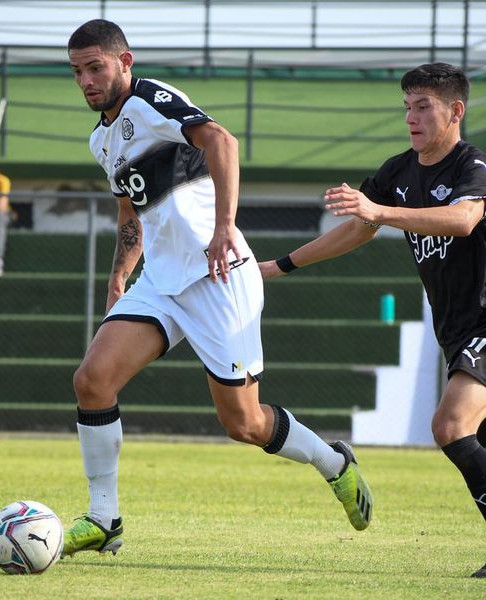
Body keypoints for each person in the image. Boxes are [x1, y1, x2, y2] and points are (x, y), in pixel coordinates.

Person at [60, 19, 373, 560]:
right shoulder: (101, 138)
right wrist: (119, 274)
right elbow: (130, 212)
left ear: (125, 61)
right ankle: (104, 519)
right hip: (161, 281)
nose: (87, 80)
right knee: (92, 380)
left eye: (96, 67)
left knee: (244, 424)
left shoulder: (153, 99)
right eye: (78, 72)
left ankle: (334, 462)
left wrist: (225, 225)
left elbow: (221, 140)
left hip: (219, 275)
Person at [259, 62, 486, 578]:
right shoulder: (399, 172)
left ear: (456, 111)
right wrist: (281, 264)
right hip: (457, 331)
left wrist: (379, 212)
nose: (411, 116)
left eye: (423, 105)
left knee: (450, 425)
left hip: (485, 323)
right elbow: (357, 229)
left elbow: (464, 219)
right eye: (407, 106)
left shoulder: (473, 167)